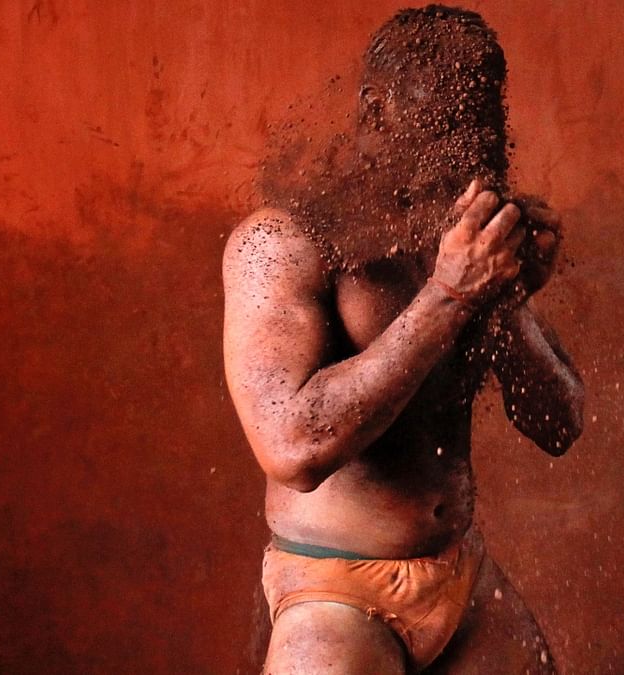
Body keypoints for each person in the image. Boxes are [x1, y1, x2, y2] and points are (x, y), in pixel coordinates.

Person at [222, 6, 584, 673]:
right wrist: (448, 297)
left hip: (461, 573)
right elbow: (290, 447)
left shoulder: (465, 238)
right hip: (333, 595)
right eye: (440, 124)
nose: (464, 148)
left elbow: (559, 424)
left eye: (480, 122)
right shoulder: (285, 242)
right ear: (376, 112)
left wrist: (508, 301)